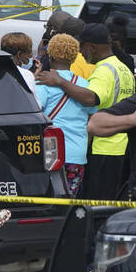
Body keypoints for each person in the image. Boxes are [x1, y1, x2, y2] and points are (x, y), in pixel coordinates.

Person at [39, 23, 133, 200]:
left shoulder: (104, 71)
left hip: (103, 146)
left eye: (82, 46)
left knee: (96, 205)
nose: (81, 52)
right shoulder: (123, 68)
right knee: (110, 203)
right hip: (120, 144)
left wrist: (60, 82)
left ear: (92, 46)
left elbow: (91, 98)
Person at [35, 33, 93, 197]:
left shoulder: (43, 81)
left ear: (50, 55)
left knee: (48, 202)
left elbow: (35, 111)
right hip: (77, 154)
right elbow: (91, 115)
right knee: (69, 202)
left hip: (49, 154)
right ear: (74, 58)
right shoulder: (84, 85)